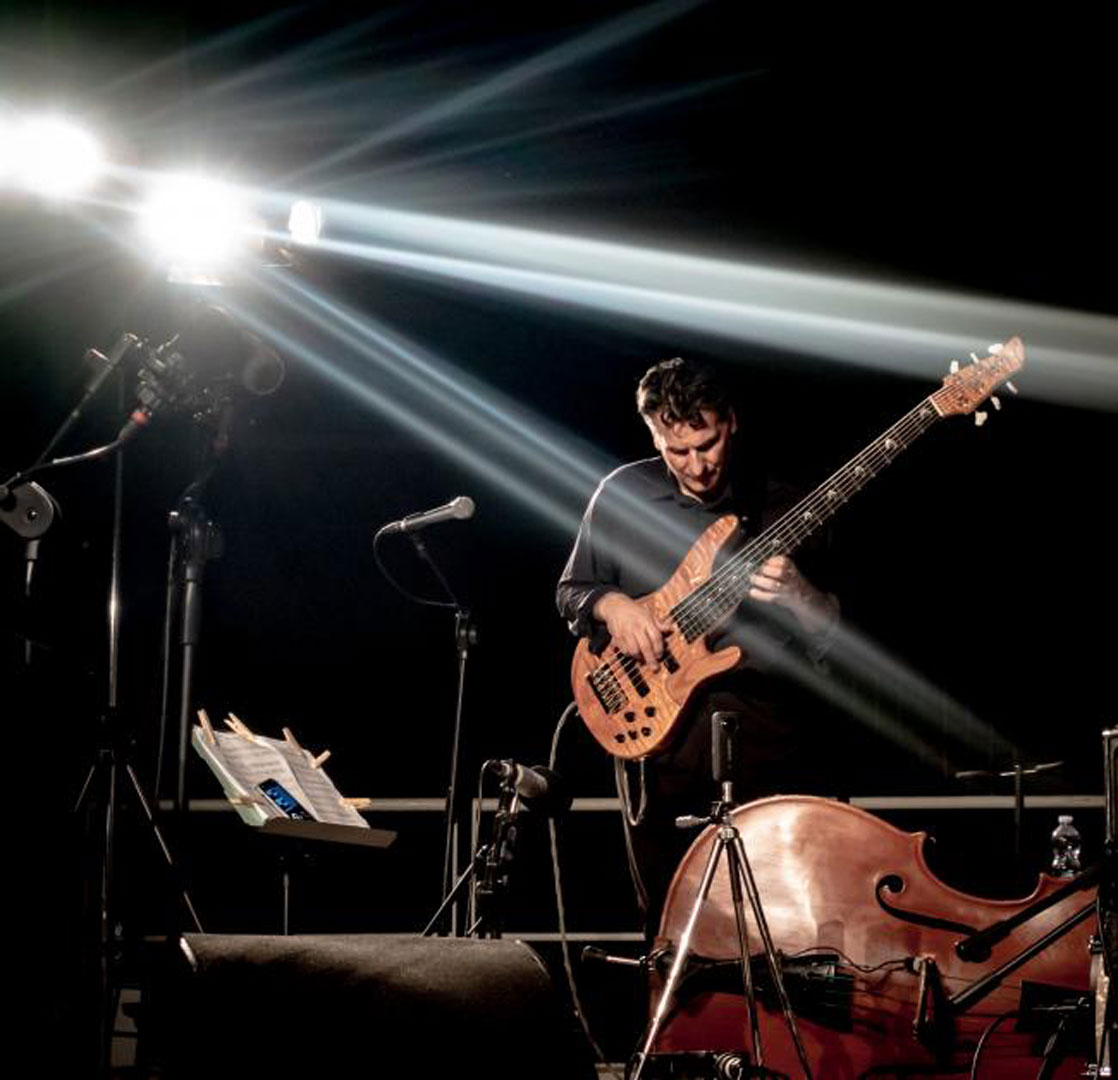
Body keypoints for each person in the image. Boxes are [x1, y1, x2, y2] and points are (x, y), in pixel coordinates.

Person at [556, 356, 840, 928]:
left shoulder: (783, 504)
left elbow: (835, 634)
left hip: (766, 732)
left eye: (706, 444)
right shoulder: (623, 492)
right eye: (675, 450)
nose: (696, 465)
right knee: (671, 920)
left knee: (786, 920)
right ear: (654, 435)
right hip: (660, 743)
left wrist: (798, 593)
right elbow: (572, 593)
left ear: (729, 422)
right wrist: (616, 607)